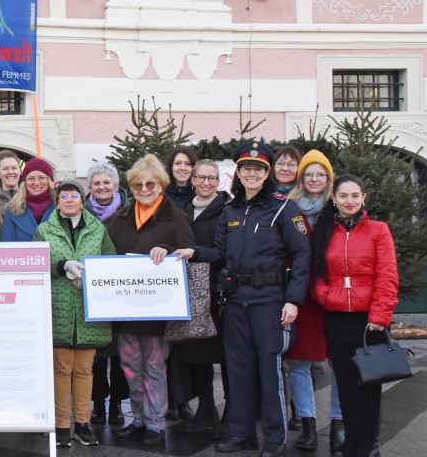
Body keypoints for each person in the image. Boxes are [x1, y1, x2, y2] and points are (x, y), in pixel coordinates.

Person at [177, 140, 311, 457]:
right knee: (237, 370)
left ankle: (276, 439)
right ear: (239, 172)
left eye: (258, 169)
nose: (252, 173)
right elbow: (220, 254)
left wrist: (293, 300)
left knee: (270, 371)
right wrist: (194, 252)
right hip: (236, 301)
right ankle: (242, 434)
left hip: (270, 301)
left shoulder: (283, 207)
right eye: (246, 168)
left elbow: (303, 255)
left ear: (266, 174)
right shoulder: (231, 209)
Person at [105, 154, 197, 447]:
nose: (144, 189)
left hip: (158, 310)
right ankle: (139, 419)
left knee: (155, 367)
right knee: (130, 366)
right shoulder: (119, 219)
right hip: (126, 309)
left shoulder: (176, 217)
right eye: (137, 185)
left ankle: (156, 423)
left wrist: (168, 250)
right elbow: (107, 256)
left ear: (161, 185)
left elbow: (189, 251)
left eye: (150, 184)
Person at [313, 175, 398, 457]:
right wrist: (326, 297)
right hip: (337, 320)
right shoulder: (325, 231)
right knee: (347, 386)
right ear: (334, 199)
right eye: (343, 196)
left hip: (368, 321)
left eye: (354, 196)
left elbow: (387, 275)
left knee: (369, 386)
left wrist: (380, 315)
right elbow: (317, 275)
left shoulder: (378, 230)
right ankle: (352, 444)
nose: (349, 201)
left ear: (364, 198)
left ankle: (366, 446)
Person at [34, 178, 116, 448]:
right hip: (56, 309)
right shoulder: (44, 230)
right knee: (61, 369)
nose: (69, 200)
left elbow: (110, 263)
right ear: (57, 201)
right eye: (63, 196)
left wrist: (90, 279)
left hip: (87, 310)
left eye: (74, 195)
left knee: (84, 369)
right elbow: (35, 262)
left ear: (83, 199)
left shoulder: (98, 229)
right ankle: (61, 424)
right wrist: (60, 265)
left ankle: (82, 422)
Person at [286, 150, 343, 452]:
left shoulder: (341, 208)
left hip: (335, 295)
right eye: (309, 173)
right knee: (300, 362)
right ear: (302, 178)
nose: (315, 179)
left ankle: (338, 422)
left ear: (328, 178)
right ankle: (307, 424)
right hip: (302, 296)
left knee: (340, 361)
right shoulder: (289, 209)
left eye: (320, 174)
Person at [177, 160, 230, 438]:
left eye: (212, 178)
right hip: (191, 292)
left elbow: (224, 253)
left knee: (225, 356)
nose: (207, 182)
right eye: (202, 177)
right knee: (197, 355)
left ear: (218, 181)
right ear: (193, 180)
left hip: (218, 292)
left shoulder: (227, 210)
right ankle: (206, 407)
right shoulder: (185, 210)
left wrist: (194, 251)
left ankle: (231, 414)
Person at [82, 162, 129, 427]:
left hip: (120, 287)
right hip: (90, 288)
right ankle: (98, 403)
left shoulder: (127, 211)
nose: (101, 187)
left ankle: (117, 405)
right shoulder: (82, 210)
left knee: (120, 350)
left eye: (106, 183)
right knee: (96, 352)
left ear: (115, 185)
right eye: (97, 183)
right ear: (90, 187)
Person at [0, 157, 56, 242]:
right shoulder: (12, 210)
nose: (36, 183)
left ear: (49, 180)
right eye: (31, 178)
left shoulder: (60, 207)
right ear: (24, 182)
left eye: (41, 177)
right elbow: (8, 248)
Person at [163, 146, 197, 211]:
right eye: (177, 163)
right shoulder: (160, 194)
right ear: (171, 167)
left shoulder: (198, 197)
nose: (182, 168)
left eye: (188, 164)